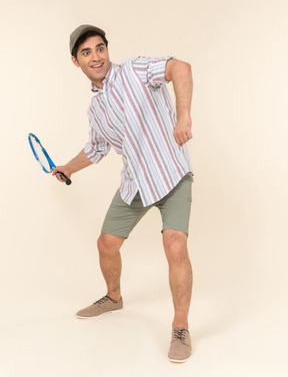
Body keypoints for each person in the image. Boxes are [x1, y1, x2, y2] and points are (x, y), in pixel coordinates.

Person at [53, 24, 194, 363]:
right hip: (135, 181)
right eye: (86, 52)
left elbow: (181, 68)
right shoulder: (96, 110)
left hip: (172, 173)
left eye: (99, 48)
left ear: (106, 50)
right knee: (106, 244)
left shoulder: (136, 70)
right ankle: (113, 297)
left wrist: (184, 116)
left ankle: (180, 327)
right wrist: (69, 168)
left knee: (174, 244)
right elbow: (96, 148)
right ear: (76, 62)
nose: (96, 56)